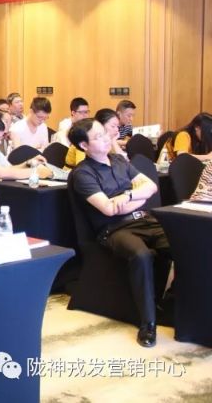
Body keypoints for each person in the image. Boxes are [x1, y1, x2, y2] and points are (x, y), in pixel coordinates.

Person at [68, 118, 171, 347]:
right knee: (141, 255)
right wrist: (137, 196)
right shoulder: (83, 174)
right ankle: (148, 322)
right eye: (98, 137)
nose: (106, 139)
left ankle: (170, 303)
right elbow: (109, 209)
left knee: (181, 245)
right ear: (84, 146)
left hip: (144, 219)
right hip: (114, 228)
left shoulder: (119, 161)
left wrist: (128, 196)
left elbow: (151, 187)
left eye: (105, 133)